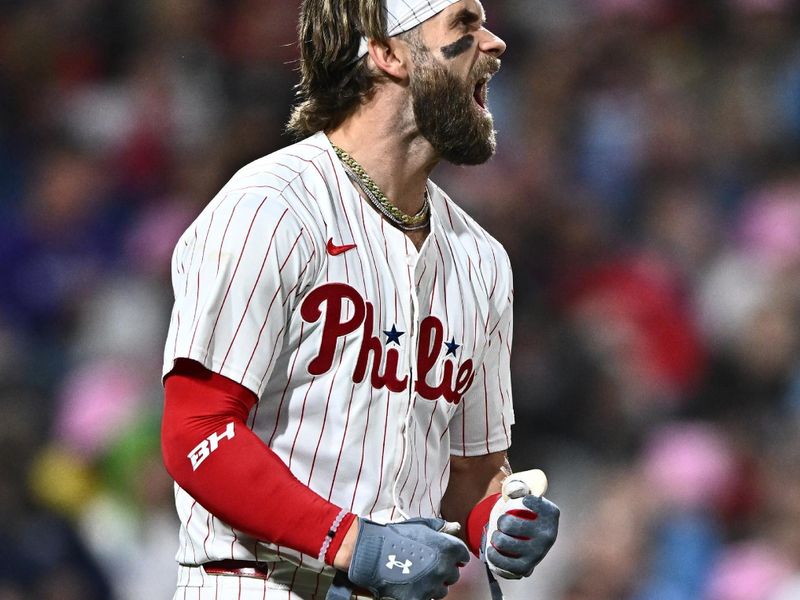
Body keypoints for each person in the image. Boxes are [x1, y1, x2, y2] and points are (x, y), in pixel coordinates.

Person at [160, 1, 560, 598]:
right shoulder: (271, 208)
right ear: (388, 51)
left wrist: (498, 517)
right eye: (465, 24)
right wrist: (353, 542)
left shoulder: (481, 261)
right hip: (260, 584)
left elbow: (472, 471)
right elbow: (195, 429)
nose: (495, 43)